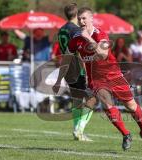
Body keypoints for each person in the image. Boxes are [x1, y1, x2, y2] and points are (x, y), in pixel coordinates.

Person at [68, 7, 142, 151]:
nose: (81, 21)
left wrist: (87, 38)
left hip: (114, 75)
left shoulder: (101, 34)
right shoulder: (75, 39)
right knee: (108, 106)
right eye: (79, 19)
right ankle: (126, 134)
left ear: (91, 19)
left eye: (84, 18)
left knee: (131, 106)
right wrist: (82, 70)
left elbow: (103, 54)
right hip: (97, 80)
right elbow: (70, 54)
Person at [52, 3, 94, 141]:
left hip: (67, 67)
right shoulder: (76, 30)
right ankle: (79, 130)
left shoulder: (61, 30)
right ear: (77, 15)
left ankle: (77, 132)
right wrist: (86, 71)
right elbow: (79, 51)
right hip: (78, 67)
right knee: (91, 99)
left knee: (76, 100)